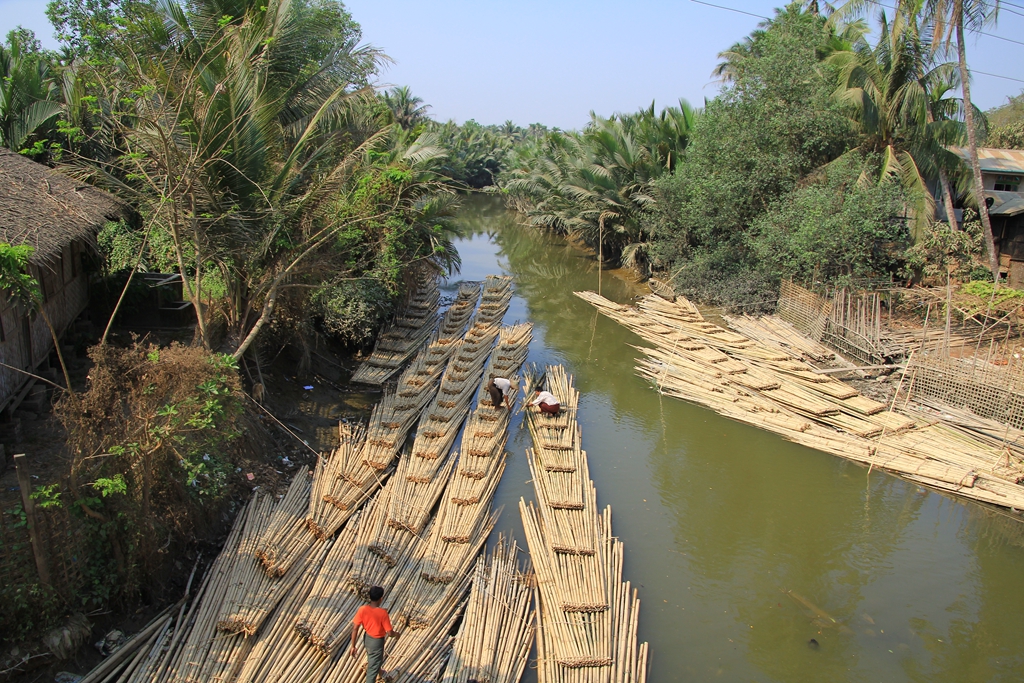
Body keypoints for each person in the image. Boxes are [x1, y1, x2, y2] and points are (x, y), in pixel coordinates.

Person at [350, 585, 400, 683]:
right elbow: (389, 633)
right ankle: (376, 670)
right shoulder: (382, 613)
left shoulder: (362, 609)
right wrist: (397, 634)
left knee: (372, 659)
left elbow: (355, 628)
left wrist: (353, 646)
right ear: (381, 599)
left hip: (367, 639)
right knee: (371, 672)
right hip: (377, 643)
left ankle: (379, 671)